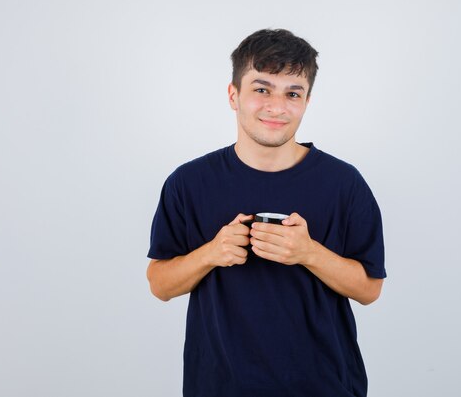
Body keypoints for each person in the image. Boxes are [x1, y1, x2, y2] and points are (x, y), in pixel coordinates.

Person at [147, 28, 386, 397]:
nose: (277, 107)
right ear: (233, 95)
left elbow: (370, 289)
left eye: (293, 93)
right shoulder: (189, 183)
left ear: (307, 101)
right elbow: (160, 284)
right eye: (261, 89)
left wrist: (308, 253)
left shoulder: (344, 184)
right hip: (219, 386)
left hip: (325, 386)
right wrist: (212, 253)